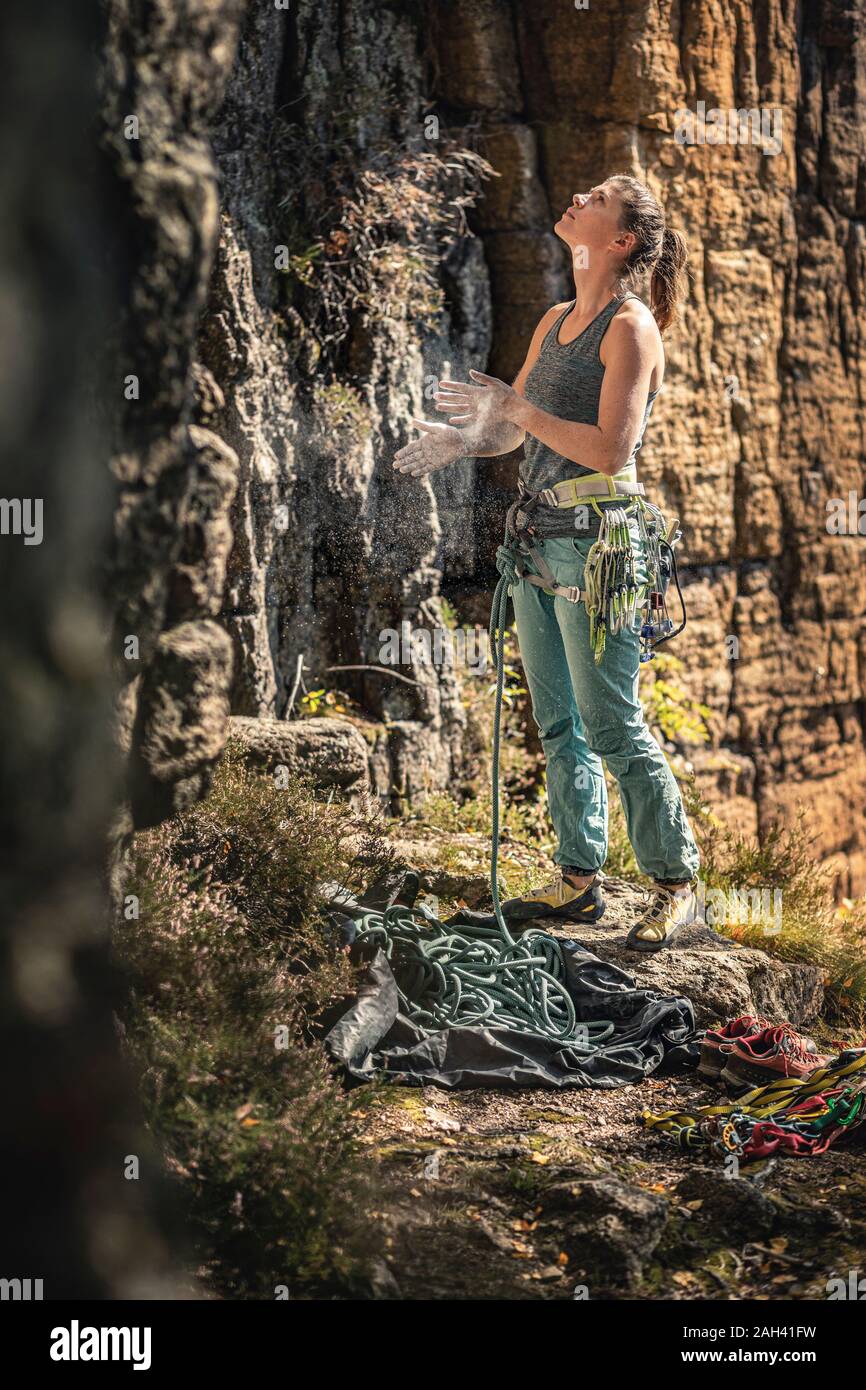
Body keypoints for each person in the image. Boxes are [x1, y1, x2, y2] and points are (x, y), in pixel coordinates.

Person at [394, 174, 700, 952]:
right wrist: (465, 440)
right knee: (557, 719)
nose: (578, 198)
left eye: (597, 198)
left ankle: (678, 886)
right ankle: (577, 880)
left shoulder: (630, 330)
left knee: (611, 721)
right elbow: (513, 428)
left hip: (599, 547)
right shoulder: (557, 320)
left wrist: (519, 410)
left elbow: (608, 447)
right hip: (536, 542)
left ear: (621, 240)